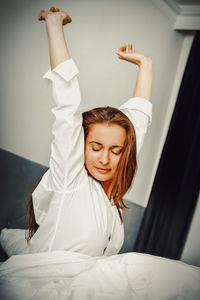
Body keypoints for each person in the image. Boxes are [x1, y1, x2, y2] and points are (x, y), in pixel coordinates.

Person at [25, 6, 153, 256]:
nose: (105, 159)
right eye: (95, 148)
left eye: (115, 151)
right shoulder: (69, 178)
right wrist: (54, 23)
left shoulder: (112, 198)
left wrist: (145, 65)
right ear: (80, 144)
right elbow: (67, 103)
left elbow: (138, 123)